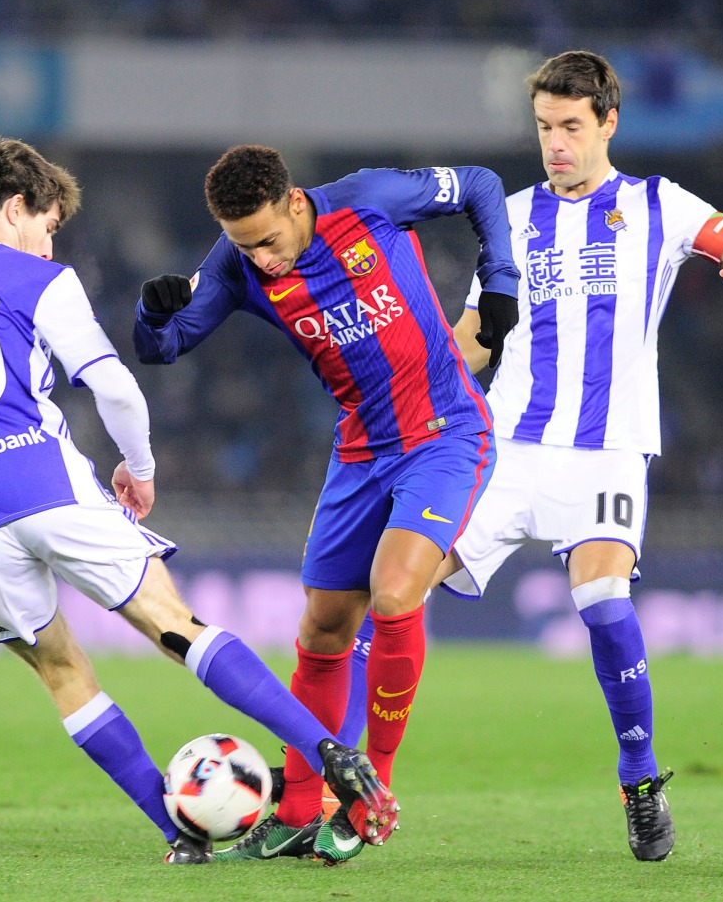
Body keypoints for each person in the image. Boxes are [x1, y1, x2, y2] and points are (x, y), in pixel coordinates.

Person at [0, 137, 396, 866]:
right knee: (174, 625)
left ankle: (178, 832)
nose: (51, 246)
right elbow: (111, 384)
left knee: (64, 674)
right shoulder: (34, 280)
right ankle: (328, 750)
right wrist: (139, 467)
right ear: (15, 207)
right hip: (44, 484)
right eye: (50, 226)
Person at [434, 51, 723, 862]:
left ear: (608, 121)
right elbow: (476, 339)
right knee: (390, 587)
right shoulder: (511, 217)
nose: (555, 143)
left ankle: (638, 779)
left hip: (607, 450)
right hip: (506, 449)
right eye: (543, 127)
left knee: (602, 600)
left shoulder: (658, 206)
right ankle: (340, 776)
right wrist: (414, 379)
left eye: (571, 126)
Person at [133, 145, 519, 862]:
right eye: (245, 245)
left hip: (444, 434)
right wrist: (153, 312)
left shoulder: (368, 198)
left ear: (294, 201)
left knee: (396, 593)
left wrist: (499, 279)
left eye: (270, 240)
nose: (264, 260)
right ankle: (299, 811)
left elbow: (481, 185)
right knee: (321, 631)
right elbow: (169, 344)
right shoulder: (238, 259)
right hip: (359, 451)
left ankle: (375, 791)